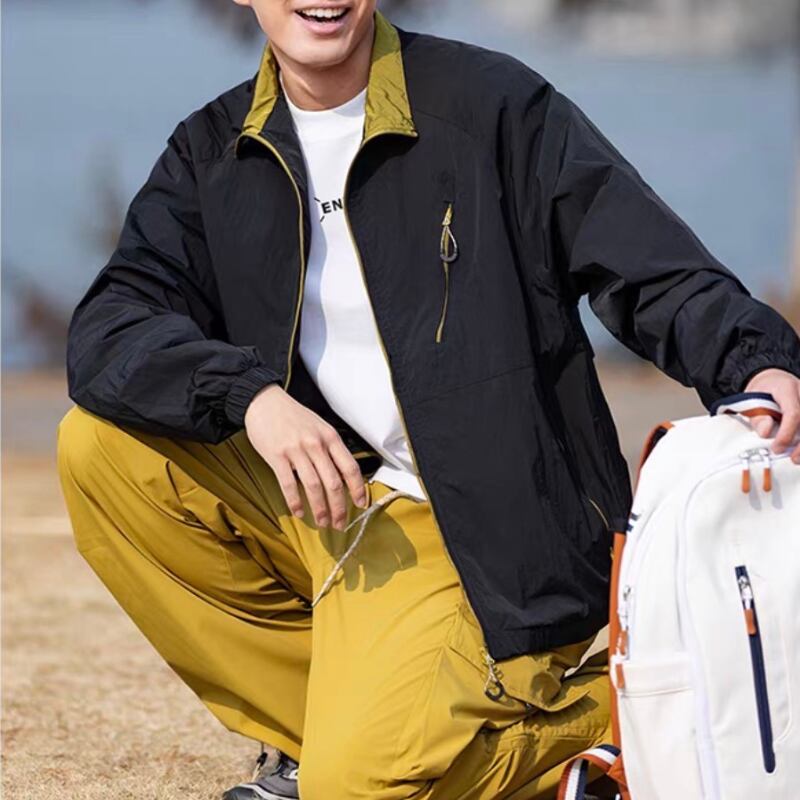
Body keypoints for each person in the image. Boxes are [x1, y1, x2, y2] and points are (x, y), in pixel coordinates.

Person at [57, 2, 800, 798]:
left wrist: (754, 362)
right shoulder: (214, 151)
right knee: (100, 449)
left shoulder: (489, 105)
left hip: (480, 538)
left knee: (351, 790)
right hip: (333, 501)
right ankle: (336, 731)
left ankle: (612, 723)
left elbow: (644, 261)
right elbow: (110, 326)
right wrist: (251, 397)